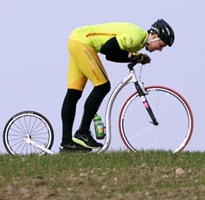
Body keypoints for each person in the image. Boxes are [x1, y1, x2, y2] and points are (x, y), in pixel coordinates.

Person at [60, 19, 174, 153]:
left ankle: (66, 143)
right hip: (83, 43)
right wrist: (133, 56)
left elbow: (112, 55)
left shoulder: (138, 42)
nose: (160, 50)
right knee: (103, 86)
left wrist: (135, 57)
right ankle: (82, 132)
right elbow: (107, 50)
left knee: (74, 94)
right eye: (161, 45)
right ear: (154, 37)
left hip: (76, 40)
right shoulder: (135, 37)